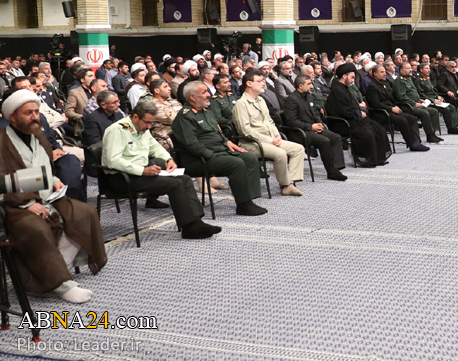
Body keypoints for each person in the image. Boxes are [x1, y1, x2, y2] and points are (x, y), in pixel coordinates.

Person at [0, 89, 106, 303]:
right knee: (36, 228)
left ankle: (48, 273)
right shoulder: (2, 142)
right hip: (13, 205)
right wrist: (27, 204)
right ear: (13, 116)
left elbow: (45, 169)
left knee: (84, 213)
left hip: (46, 196)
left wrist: (54, 180)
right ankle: (62, 284)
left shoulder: (39, 136)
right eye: (28, 112)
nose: (34, 116)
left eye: (36, 112)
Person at [102, 102, 222, 239]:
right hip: (121, 178)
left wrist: (168, 159)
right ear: (135, 117)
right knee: (175, 184)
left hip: (140, 174)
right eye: (147, 122)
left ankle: (197, 222)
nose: (149, 126)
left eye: (151, 123)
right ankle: (189, 228)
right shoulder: (117, 130)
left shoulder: (142, 128)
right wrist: (142, 171)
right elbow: (113, 161)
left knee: (185, 179)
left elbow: (155, 147)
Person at [171, 81, 268, 216]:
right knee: (236, 163)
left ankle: (248, 199)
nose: (208, 95)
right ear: (192, 97)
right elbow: (191, 144)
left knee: (250, 158)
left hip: (219, 151)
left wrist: (227, 142)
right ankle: (243, 205)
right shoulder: (185, 116)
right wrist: (210, 154)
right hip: (198, 158)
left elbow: (217, 132)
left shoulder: (207, 112)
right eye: (204, 92)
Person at [233, 69, 305, 196]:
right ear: (249, 83)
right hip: (251, 143)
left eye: (263, 80)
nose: (263, 83)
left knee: (298, 149)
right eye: (260, 81)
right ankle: (285, 185)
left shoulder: (260, 100)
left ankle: (290, 183)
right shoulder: (241, 104)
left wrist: (276, 135)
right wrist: (270, 140)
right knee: (280, 153)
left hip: (270, 139)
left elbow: (269, 121)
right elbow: (246, 131)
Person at [324, 63, 390, 167]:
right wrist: (358, 114)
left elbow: (352, 105)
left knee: (379, 129)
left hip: (354, 118)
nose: (353, 80)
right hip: (344, 122)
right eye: (352, 77)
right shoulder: (337, 90)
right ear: (344, 76)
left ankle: (378, 158)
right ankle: (367, 159)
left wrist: (359, 112)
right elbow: (342, 110)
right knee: (367, 133)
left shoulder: (345, 88)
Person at [283, 74, 347, 181]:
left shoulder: (309, 96)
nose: (312, 86)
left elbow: (315, 113)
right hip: (300, 132)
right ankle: (331, 172)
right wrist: (311, 127)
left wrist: (319, 124)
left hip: (313, 128)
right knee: (325, 141)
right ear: (300, 86)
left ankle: (336, 167)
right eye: (309, 84)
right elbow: (291, 121)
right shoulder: (291, 99)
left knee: (336, 138)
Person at [366, 64, 430, 151]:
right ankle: (411, 144)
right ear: (375, 74)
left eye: (384, 72)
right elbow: (375, 104)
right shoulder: (372, 87)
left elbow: (390, 98)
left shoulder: (384, 83)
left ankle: (416, 142)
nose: (384, 74)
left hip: (390, 110)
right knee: (403, 121)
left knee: (412, 119)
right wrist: (391, 108)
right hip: (380, 113)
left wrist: (394, 106)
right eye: (381, 72)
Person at [393, 62, 443, 144]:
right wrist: (414, 103)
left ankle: (433, 133)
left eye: (410, 68)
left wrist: (419, 99)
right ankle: (429, 135)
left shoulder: (409, 79)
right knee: (424, 113)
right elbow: (401, 97)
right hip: (406, 106)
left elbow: (413, 93)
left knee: (434, 111)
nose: (410, 70)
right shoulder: (399, 81)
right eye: (408, 68)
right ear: (401, 71)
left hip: (415, 103)